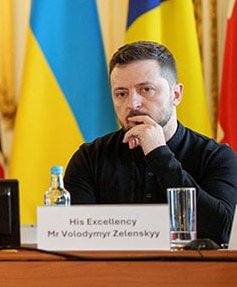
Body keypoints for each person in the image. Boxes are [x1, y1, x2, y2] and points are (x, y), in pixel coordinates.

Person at [64, 40, 237, 245]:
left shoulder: (217, 157)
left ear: (176, 94)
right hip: (111, 276)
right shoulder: (89, 159)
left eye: (146, 90)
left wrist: (159, 154)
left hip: (191, 276)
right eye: (121, 94)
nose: (133, 103)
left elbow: (222, 232)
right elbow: (77, 240)